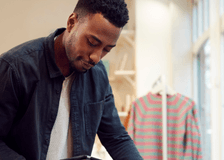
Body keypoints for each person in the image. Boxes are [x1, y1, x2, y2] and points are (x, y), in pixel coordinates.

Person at [0, 0, 143, 160]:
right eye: (92, 43)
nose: (96, 57)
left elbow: (116, 138)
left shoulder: (98, 74)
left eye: (106, 50)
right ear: (71, 22)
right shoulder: (14, 67)